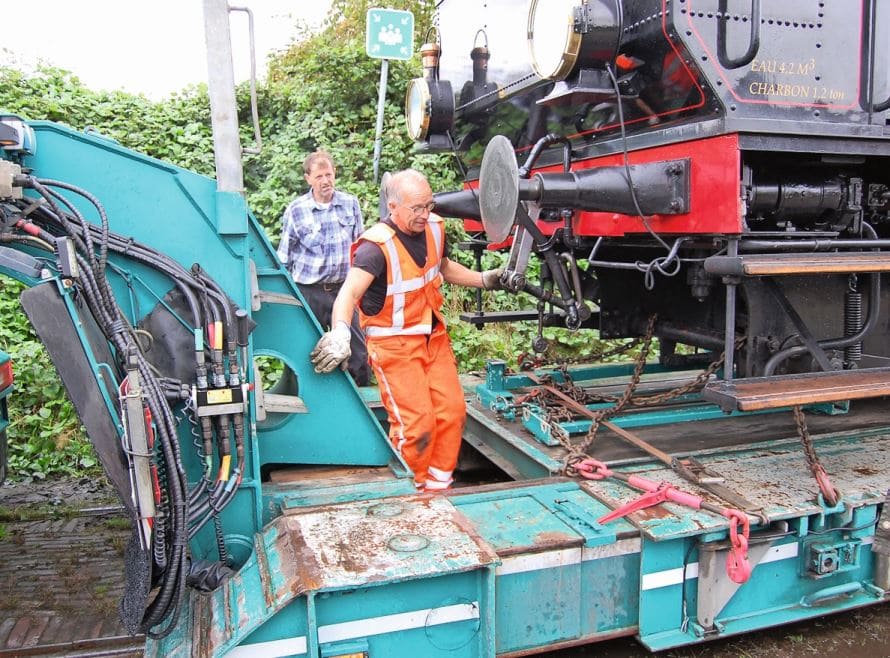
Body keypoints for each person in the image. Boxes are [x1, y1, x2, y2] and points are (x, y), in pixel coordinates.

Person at [311, 169, 503, 491]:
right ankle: (408, 494)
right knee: (416, 426)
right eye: (416, 208)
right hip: (393, 346)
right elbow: (349, 293)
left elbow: (441, 267)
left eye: (428, 206)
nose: (424, 215)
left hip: (432, 338)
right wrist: (341, 332)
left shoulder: (435, 228)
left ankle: (438, 487)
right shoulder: (375, 248)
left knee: (452, 412)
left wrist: (483, 279)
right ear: (393, 206)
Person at [278, 150, 370, 385]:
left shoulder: (350, 204)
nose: (325, 181)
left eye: (328, 174)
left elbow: (360, 249)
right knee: (306, 352)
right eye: (319, 176)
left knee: (358, 352)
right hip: (309, 291)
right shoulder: (297, 210)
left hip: (344, 289)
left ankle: (359, 405)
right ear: (308, 178)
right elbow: (284, 258)